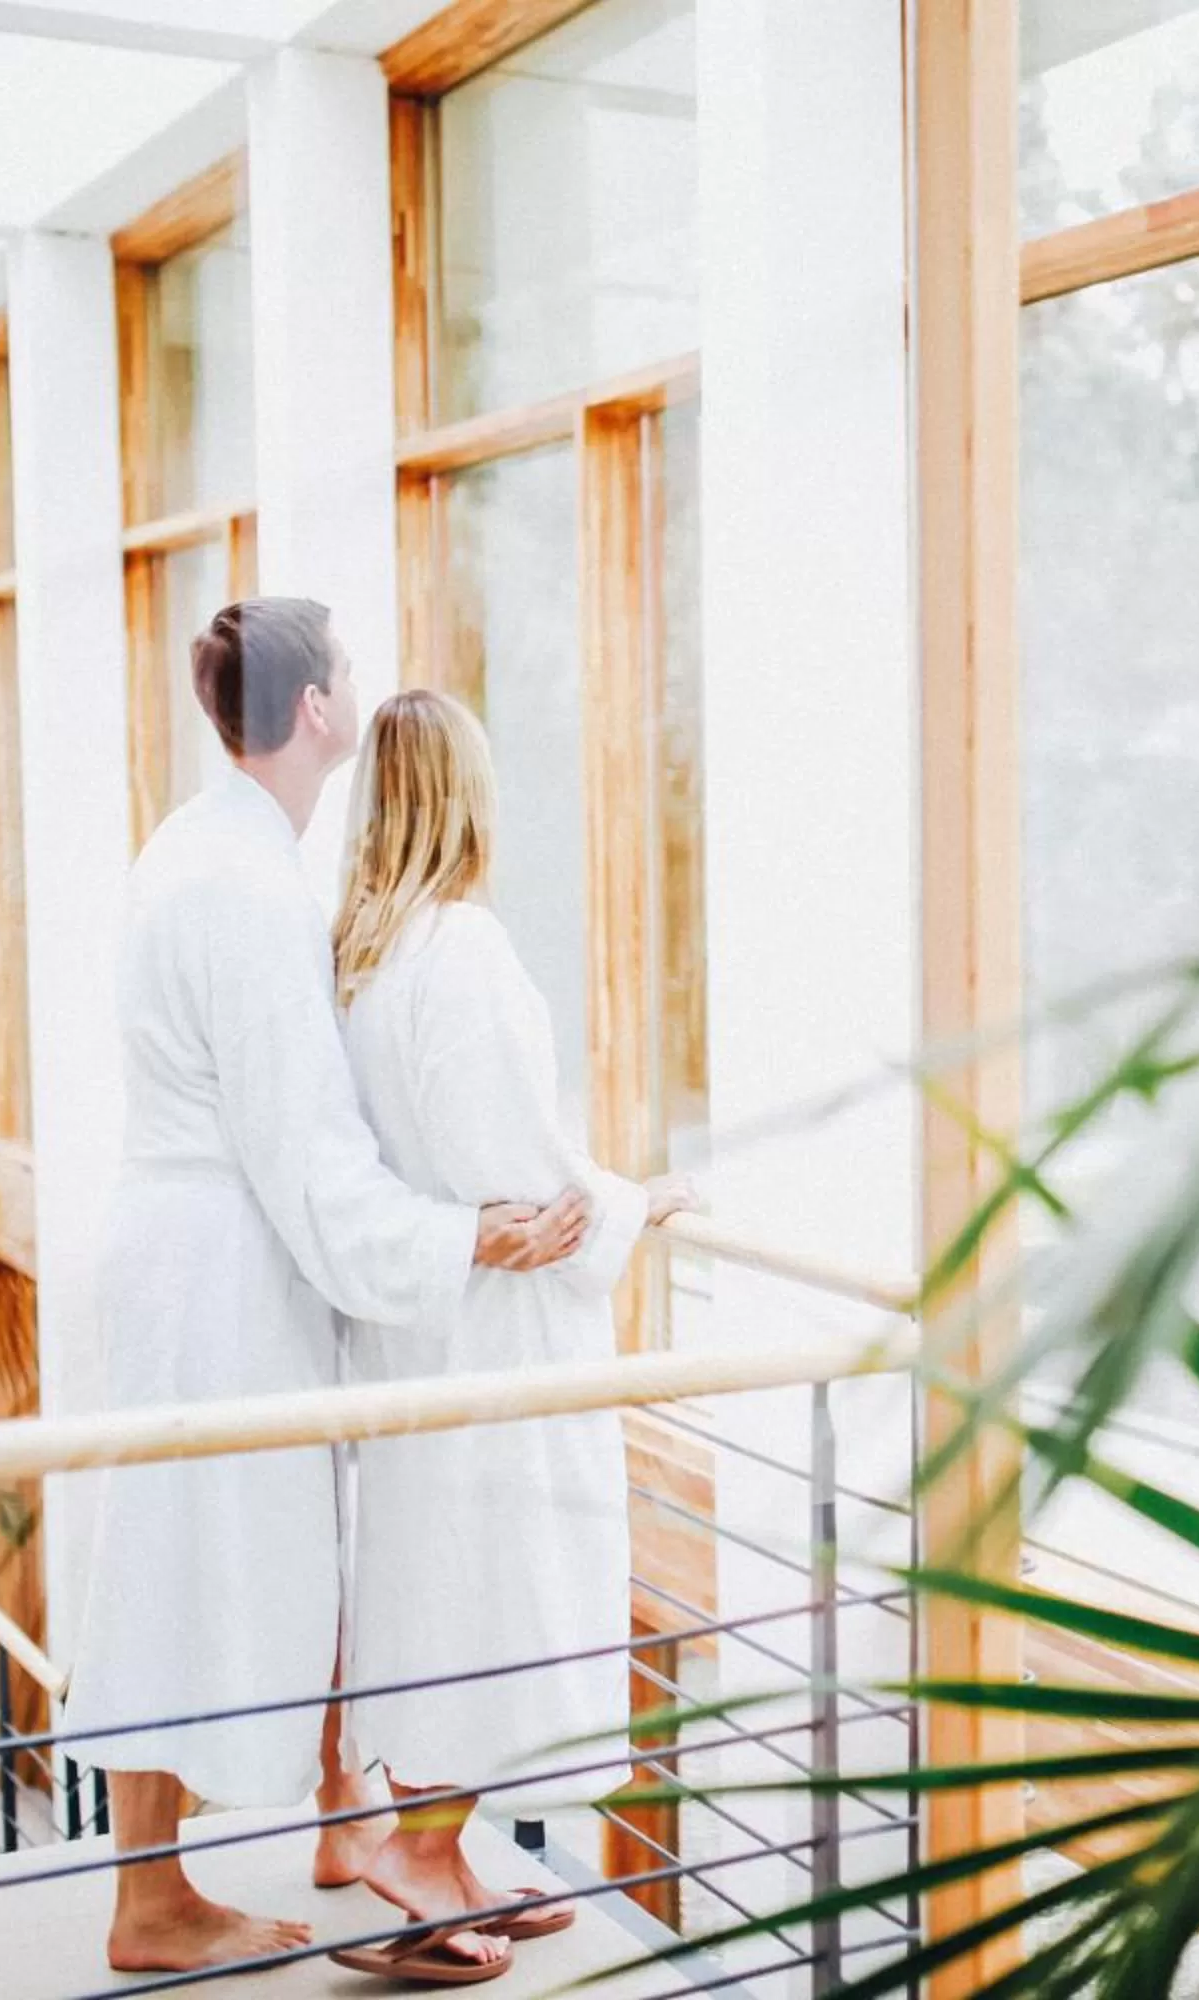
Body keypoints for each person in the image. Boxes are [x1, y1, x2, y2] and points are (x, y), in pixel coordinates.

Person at [60, 600, 598, 1977]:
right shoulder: (242, 890)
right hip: (214, 1266)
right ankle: (154, 1898)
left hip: (209, 1250)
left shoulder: (222, 853)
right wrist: (463, 1238)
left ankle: (347, 1819)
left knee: (297, 1543)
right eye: (347, 667)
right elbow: (306, 1149)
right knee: (183, 1563)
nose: (360, 685)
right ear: (313, 709)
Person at [325, 690, 695, 1983]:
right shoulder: (459, 949)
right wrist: (635, 1203)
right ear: (471, 797)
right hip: (493, 1337)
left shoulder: (364, 957)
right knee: (496, 1581)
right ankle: (418, 1857)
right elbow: (522, 1187)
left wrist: (595, 1195)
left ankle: (450, 1847)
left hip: (422, 1328)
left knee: (442, 1575)